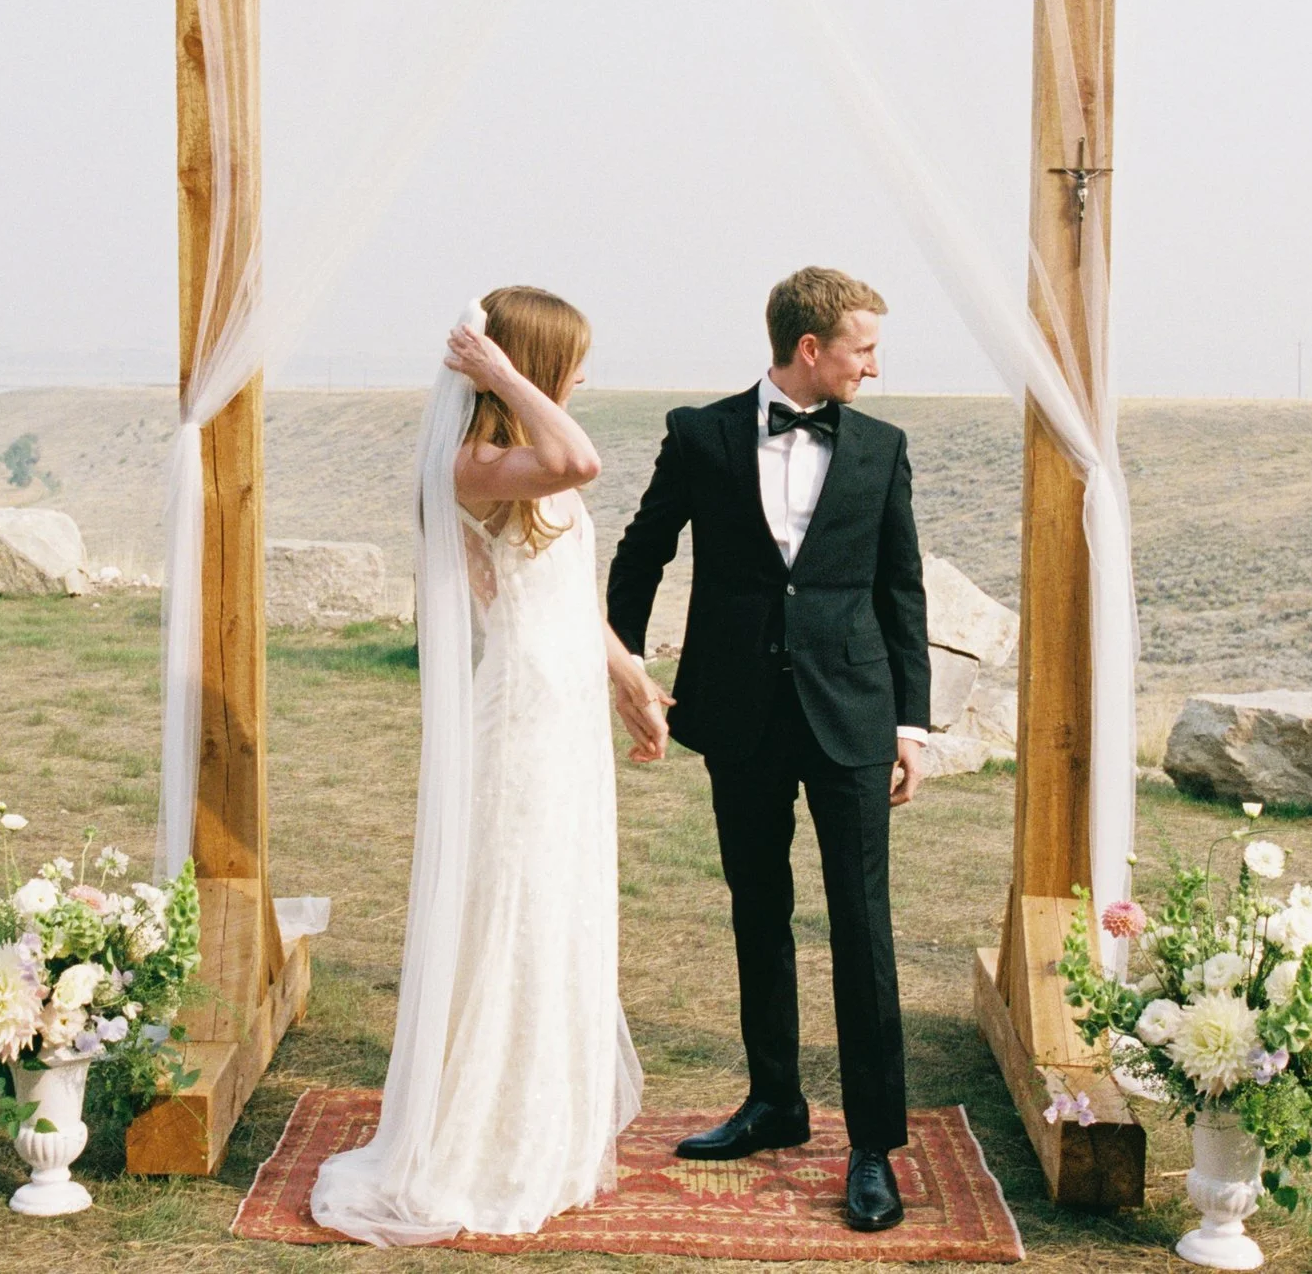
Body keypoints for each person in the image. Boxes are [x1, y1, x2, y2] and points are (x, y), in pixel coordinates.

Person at [309, 287, 664, 1244]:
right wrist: (502, 374)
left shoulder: (520, 462)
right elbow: (578, 459)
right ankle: (481, 1140)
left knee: (560, 903)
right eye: (572, 361)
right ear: (535, 364)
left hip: (568, 710)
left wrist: (628, 678)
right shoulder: (475, 462)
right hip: (521, 716)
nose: (584, 378)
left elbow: (569, 593)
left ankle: (538, 1121)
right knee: (515, 904)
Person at [606, 266, 931, 1234]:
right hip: (739, 709)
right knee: (758, 907)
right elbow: (641, 548)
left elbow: (901, 588)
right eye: (862, 348)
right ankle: (773, 1102)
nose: (873, 366)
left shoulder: (881, 446)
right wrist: (625, 666)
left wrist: (909, 724)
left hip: (851, 714)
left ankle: (872, 1142)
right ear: (809, 348)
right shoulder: (697, 433)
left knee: (861, 924)